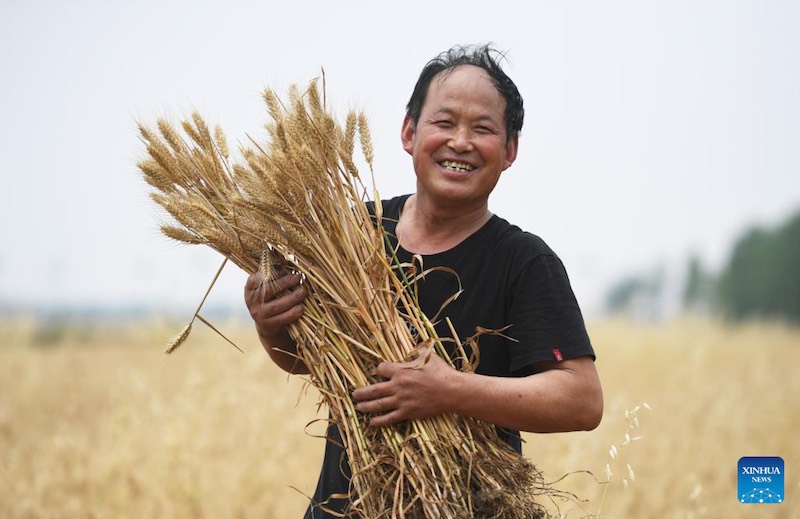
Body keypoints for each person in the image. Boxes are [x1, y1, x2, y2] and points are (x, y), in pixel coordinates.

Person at [244, 44, 603, 518]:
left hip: (467, 507)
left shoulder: (525, 262)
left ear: (510, 150)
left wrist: (448, 389)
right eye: (444, 122)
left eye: (483, 129)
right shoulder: (349, 237)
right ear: (409, 132)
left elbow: (581, 399)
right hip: (344, 507)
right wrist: (271, 326)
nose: (460, 141)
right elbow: (308, 361)